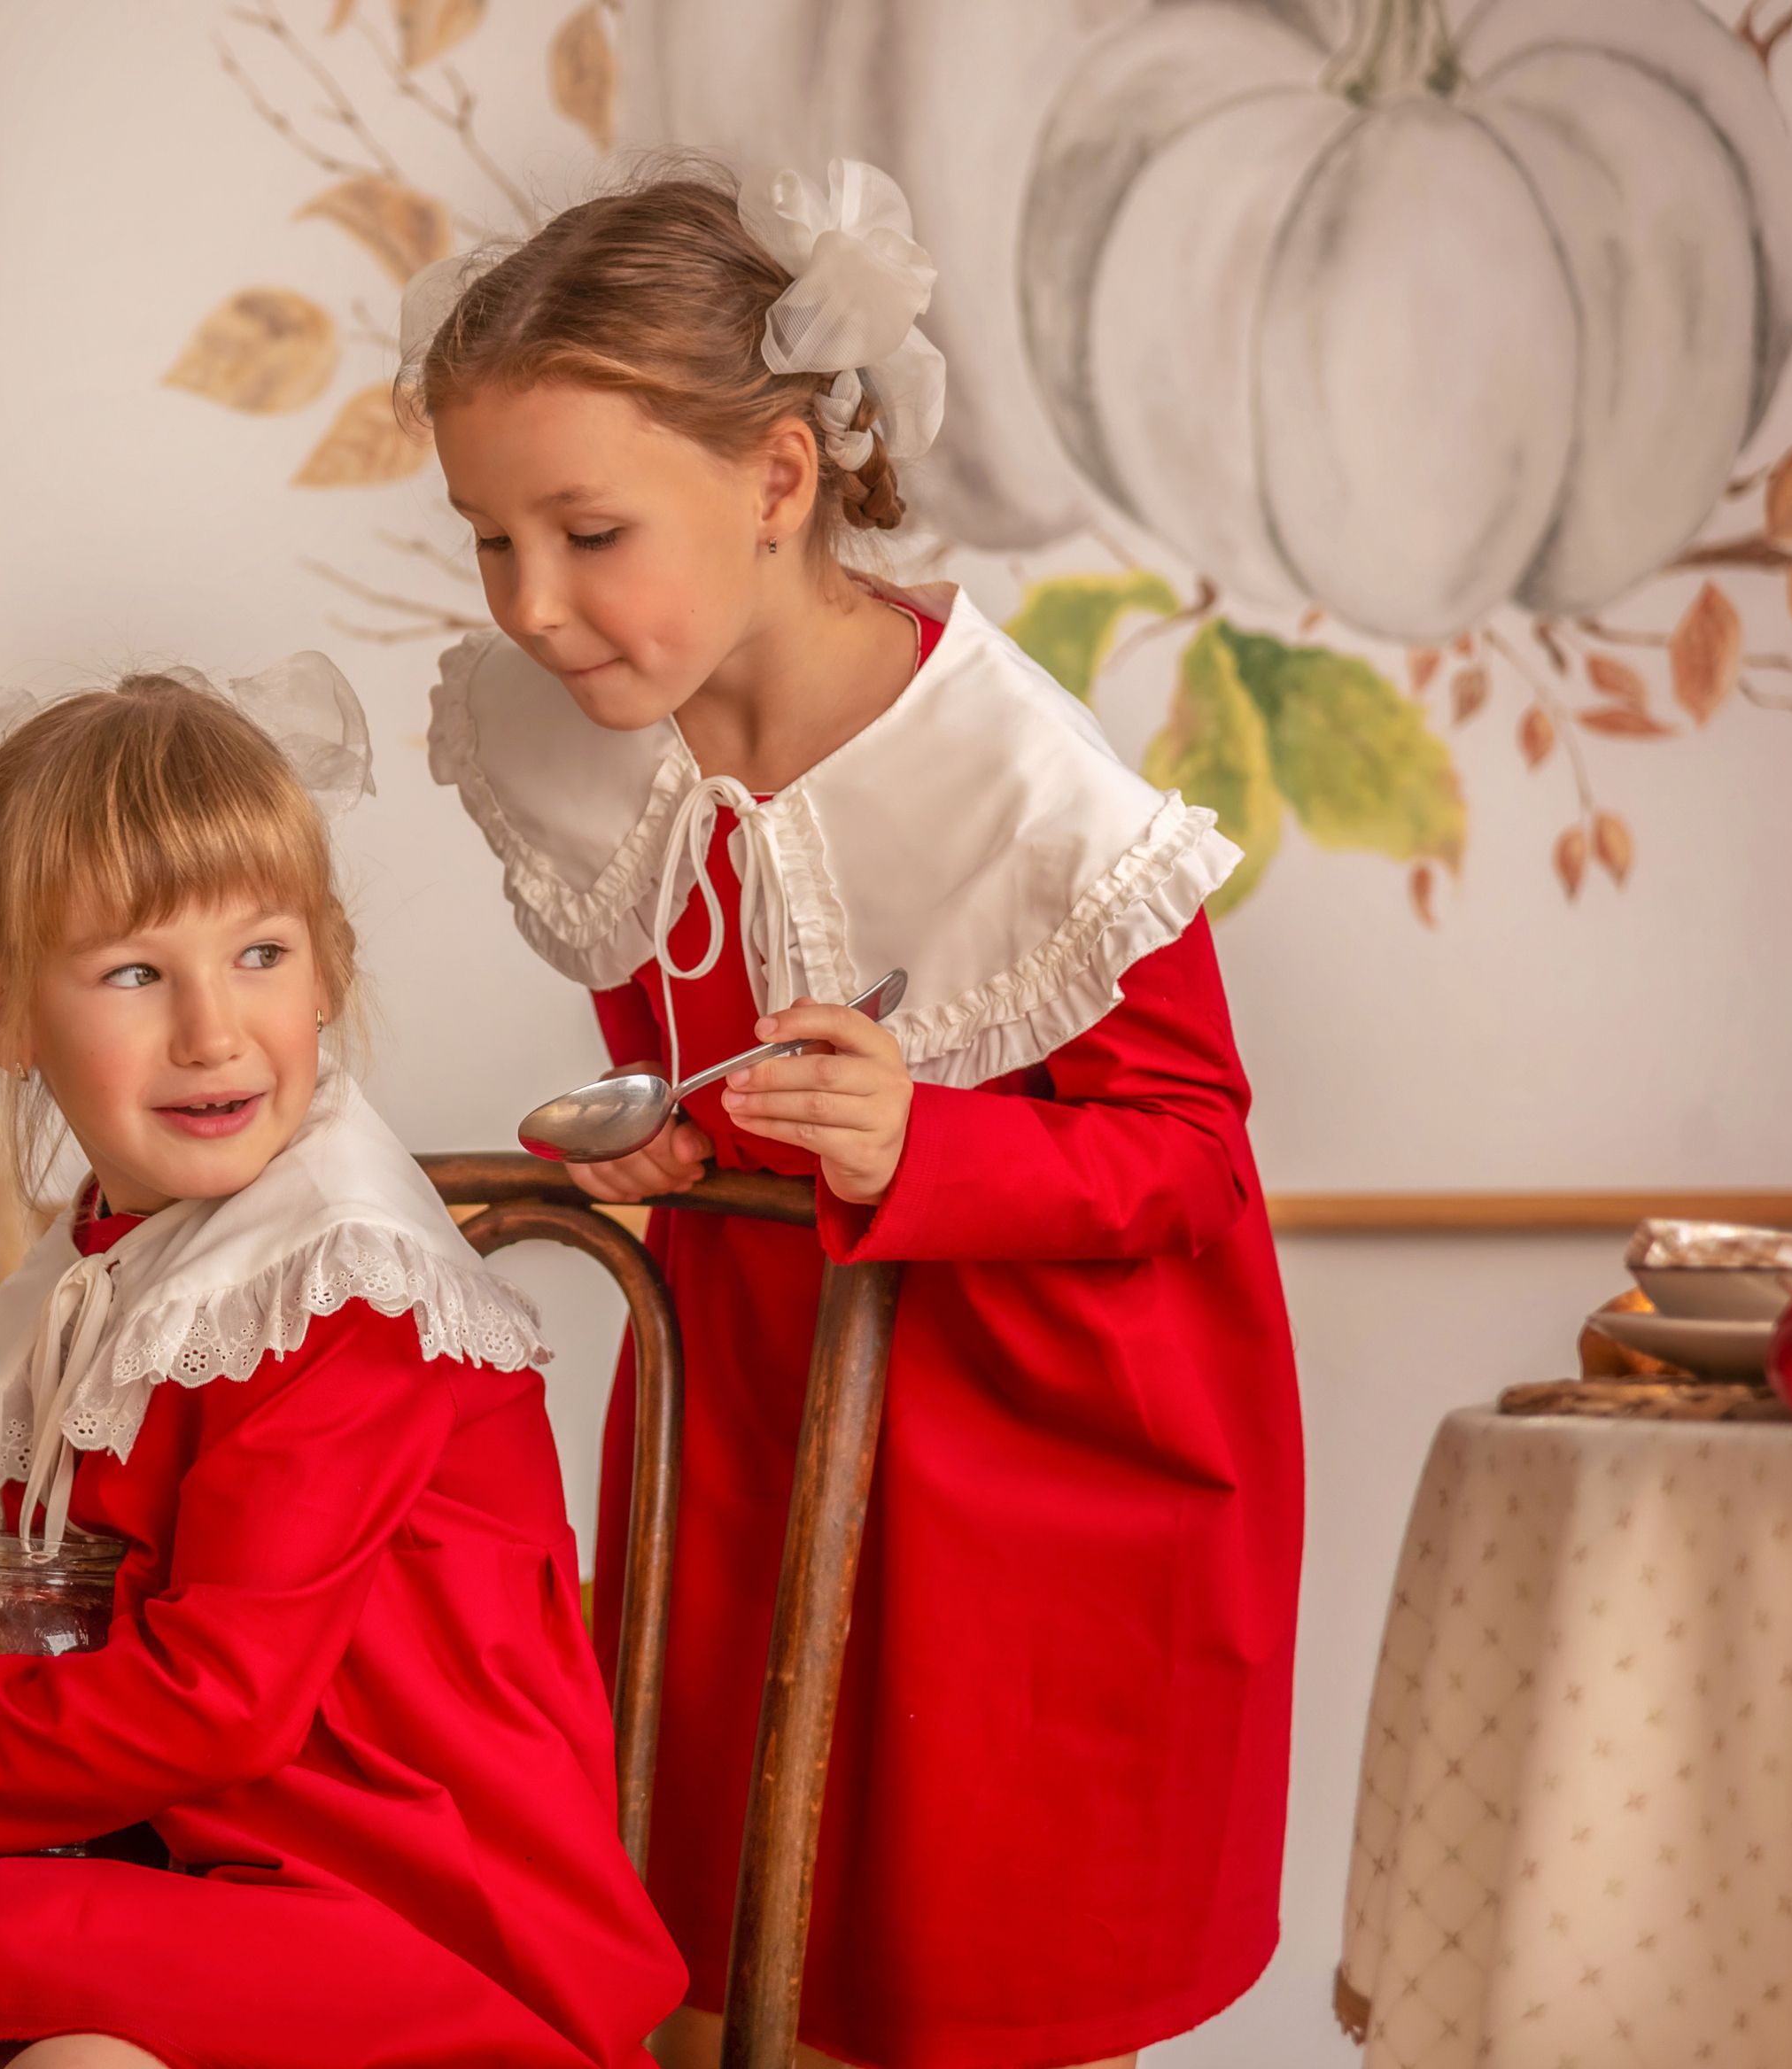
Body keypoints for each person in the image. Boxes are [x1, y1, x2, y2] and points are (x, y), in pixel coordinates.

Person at [407, 160, 1305, 2069]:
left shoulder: (1021, 789)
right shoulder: (592, 727)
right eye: (490, 541)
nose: (535, 606)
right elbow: (677, 1022)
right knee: (721, 1925)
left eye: (587, 533)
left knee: (958, 1940)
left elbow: (1191, 1156)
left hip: (1030, 1448)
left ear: (778, 478)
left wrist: (928, 1144)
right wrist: (662, 1142)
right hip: (756, 1403)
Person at [0, 660, 685, 2069]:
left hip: (422, 1918)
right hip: (192, 1882)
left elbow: (213, 1699)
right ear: (2, 1007)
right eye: (137, 973)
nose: (213, 1031)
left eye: (260, 953)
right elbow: (59, 1661)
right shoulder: (96, 1293)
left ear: (327, 967)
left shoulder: (343, 1290)